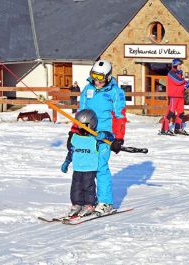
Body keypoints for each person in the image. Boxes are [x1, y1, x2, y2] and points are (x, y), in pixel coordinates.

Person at [65, 59, 126, 215]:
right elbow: (80, 113)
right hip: (87, 134)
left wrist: (118, 138)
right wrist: (73, 132)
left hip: (104, 136)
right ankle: (86, 201)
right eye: (94, 76)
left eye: (100, 78)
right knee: (86, 167)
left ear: (108, 76)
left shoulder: (115, 92)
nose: (97, 81)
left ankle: (106, 202)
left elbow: (120, 116)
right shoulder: (87, 89)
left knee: (100, 167)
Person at [61, 109, 103, 217]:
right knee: (75, 187)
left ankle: (89, 204)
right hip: (77, 168)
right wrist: (67, 161)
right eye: (80, 125)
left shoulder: (95, 138)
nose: (82, 128)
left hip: (89, 168)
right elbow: (71, 151)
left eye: (85, 125)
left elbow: (109, 137)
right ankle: (77, 204)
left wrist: (104, 135)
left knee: (88, 186)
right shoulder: (75, 138)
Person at [160, 59, 189, 135]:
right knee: (170, 113)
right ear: (175, 65)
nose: (180, 66)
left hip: (180, 96)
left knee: (181, 113)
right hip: (173, 97)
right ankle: (164, 129)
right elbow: (178, 82)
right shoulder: (171, 73)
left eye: (180, 65)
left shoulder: (179, 74)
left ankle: (178, 128)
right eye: (179, 65)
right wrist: (185, 81)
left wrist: (186, 86)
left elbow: (181, 87)